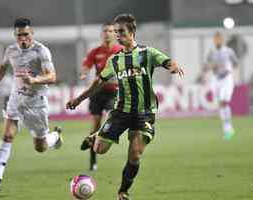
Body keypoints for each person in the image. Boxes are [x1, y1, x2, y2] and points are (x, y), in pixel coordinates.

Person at [66, 13, 184, 200]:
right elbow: (98, 82)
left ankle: (123, 191)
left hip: (144, 113)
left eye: (121, 32)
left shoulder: (148, 53)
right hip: (121, 111)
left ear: (132, 32)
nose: (117, 35)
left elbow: (167, 61)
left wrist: (173, 66)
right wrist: (78, 100)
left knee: (135, 154)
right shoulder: (115, 60)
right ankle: (96, 137)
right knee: (99, 150)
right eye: (115, 32)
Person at [0, 17, 63, 192]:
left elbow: (52, 77)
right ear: (15, 35)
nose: (23, 38)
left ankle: (56, 137)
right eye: (19, 35)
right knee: (7, 136)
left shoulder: (41, 51)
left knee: (40, 147)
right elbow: (3, 67)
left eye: (26, 34)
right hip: (16, 99)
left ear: (32, 34)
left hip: (36, 103)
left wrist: (35, 79)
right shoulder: (10, 50)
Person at [80, 22, 122, 171]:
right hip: (97, 92)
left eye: (111, 31)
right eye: (105, 31)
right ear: (101, 34)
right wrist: (84, 72)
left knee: (111, 116)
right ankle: (92, 160)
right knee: (95, 125)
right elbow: (86, 65)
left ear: (115, 33)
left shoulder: (120, 50)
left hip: (114, 91)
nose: (108, 33)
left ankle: (94, 139)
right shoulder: (95, 52)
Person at [206, 32, 238, 140]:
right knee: (220, 103)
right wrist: (212, 66)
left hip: (227, 78)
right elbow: (207, 65)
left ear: (222, 40)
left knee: (224, 102)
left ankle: (228, 127)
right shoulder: (211, 52)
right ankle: (227, 128)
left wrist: (227, 67)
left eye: (219, 39)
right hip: (216, 79)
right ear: (214, 40)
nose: (218, 41)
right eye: (216, 39)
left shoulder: (228, 51)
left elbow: (236, 63)